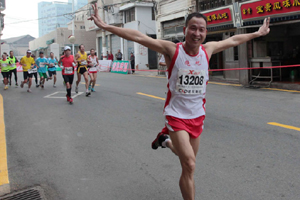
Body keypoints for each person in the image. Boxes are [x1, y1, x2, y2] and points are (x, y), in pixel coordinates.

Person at [89, 4, 271, 200]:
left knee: (186, 163)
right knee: (190, 164)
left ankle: (165, 141)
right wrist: (105, 26)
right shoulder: (171, 50)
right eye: (193, 28)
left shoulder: (207, 50)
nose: (197, 33)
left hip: (197, 117)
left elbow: (234, 39)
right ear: (185, 30)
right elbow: (139, 37)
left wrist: (257, 33)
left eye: (201, 29)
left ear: (205, 33)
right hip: (176, 116)